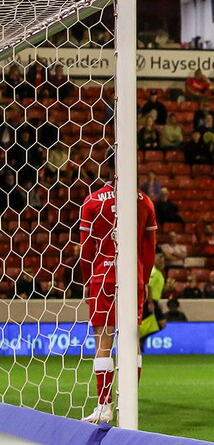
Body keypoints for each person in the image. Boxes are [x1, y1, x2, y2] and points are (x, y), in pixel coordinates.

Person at [79, 155, 158, 424]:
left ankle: (104, 406)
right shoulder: (144, 201)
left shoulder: (91, 202)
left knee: (103, 341)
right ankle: (129, 406)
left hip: (102, 278)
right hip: (132, 277)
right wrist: (143, 280)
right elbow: (149, 249)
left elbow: (86, 249)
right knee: (131, 341)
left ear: (107, 169)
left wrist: (88, 279)